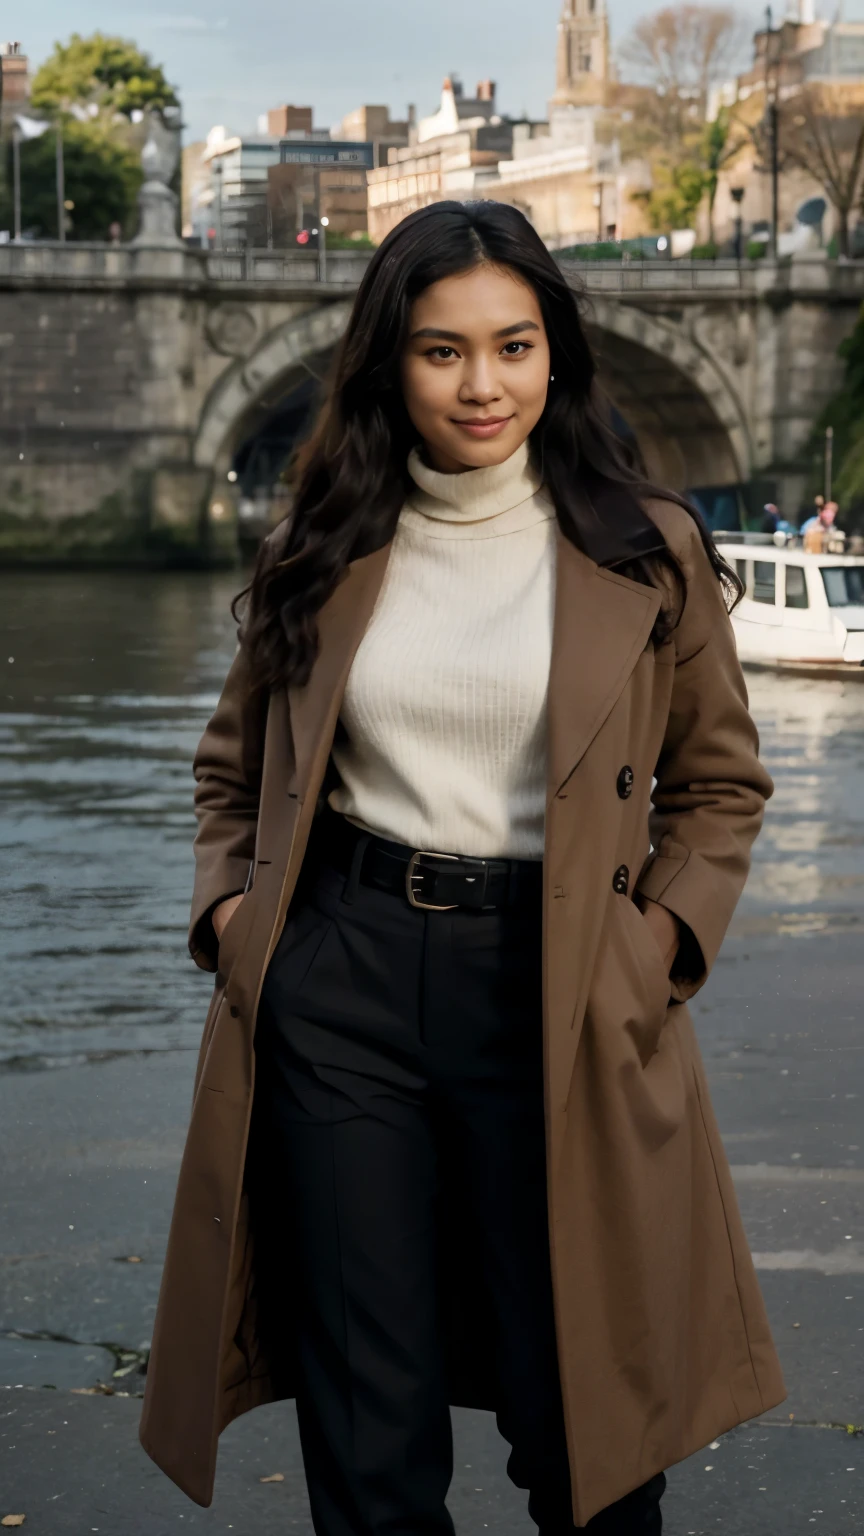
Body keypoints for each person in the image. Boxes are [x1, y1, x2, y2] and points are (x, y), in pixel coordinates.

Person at [139, 200, 785, 1534]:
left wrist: (655, 949)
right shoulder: (315, 546)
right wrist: (235, 916)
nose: (482, 385)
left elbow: (719, 786)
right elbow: (230, 770)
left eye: (514, 345)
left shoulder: (645, 550)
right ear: (390, 362)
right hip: (344, 986)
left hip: (561, 986)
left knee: (587, 1423)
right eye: (442, 351)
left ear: (557, 355)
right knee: (366, 1430)